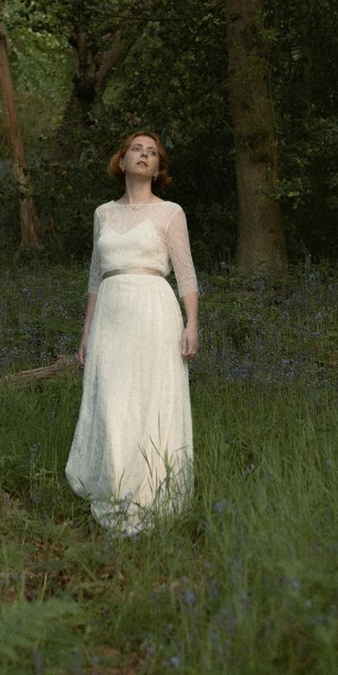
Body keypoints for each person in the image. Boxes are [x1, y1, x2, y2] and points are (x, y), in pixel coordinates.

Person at [65, 131, 199, 535]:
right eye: (136, 150)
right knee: (111, 401)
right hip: (110, 313)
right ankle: (117, 484)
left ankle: (153, 492)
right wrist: (85, 334)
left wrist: (193, 323)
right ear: (121, 162)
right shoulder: (103, 214)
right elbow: (93, 278)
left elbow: (187, 275)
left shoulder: (170, 213)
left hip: (155, 311)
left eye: (152, 152)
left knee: (151, 400)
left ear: (158, 169)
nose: (144, 155)